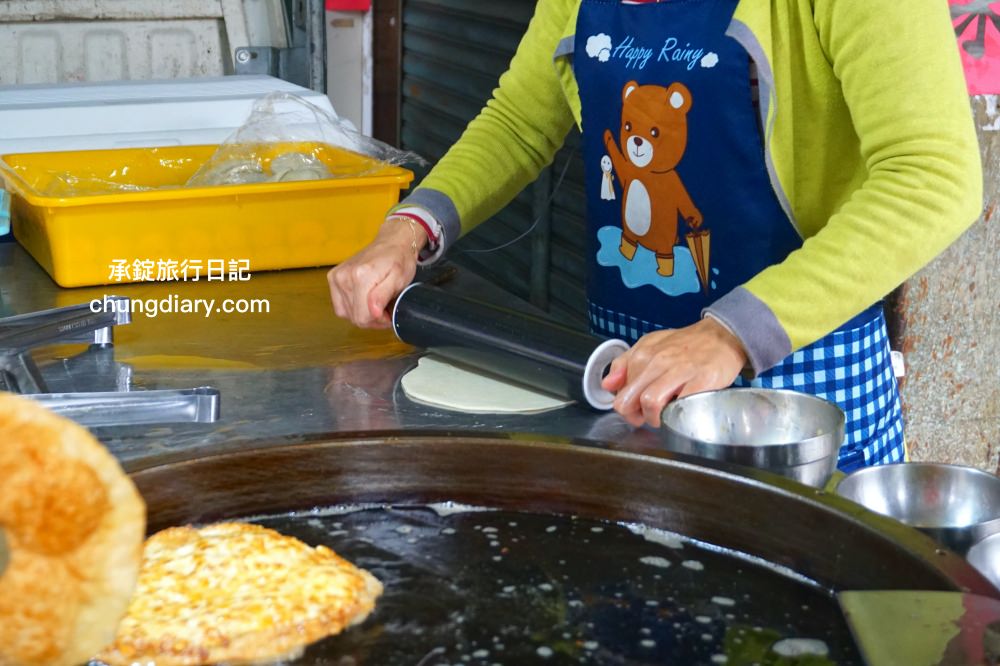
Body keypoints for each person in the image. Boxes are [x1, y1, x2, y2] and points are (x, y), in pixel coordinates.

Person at [328, 0, 982, 472]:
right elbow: (520, 119)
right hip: (622, 378)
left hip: (799, 391)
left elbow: (932, 177)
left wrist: (727, 334)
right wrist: (410, 226)